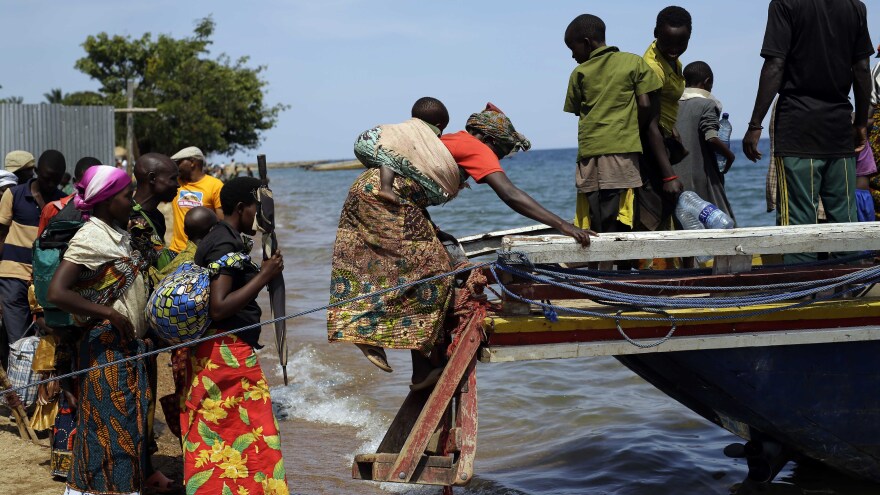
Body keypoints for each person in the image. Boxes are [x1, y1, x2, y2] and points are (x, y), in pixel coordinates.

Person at [329, 103, 593, 386]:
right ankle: (398, 351)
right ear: (489, 140)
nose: (499, 160)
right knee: (436, 274)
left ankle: (416, 364)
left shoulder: (447, 140)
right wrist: (563, 225)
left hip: (369, 192)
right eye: (501, 152)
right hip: (386, 201)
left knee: (429, 260)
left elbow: (412, 183)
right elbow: (510, 194)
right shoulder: (476, 147)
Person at [743, 0, 873, 264]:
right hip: (838, 127)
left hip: (797, 127)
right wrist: (859, 123)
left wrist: (755, 123)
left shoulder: (785, 4)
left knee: (799, 223)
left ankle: (803, 293)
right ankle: (845, 291)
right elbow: (861, 69)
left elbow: (775, 65)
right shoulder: (855, 7)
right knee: (844, 222)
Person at [47, 165, 150, 495]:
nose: (132, 202)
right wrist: (109, 313)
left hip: (120, 344)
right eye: (126, 196)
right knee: (112, 426)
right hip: (105, 343)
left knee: (112, 424)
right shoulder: (91, 236)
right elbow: (57, 292)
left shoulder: (114, 231)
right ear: (106, 201)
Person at [182, 177, 288, 494]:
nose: (261, 216)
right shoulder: (224, 243)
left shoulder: (224, 237)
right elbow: (219, 306)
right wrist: (265, 275)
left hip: (219, 352)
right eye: (258, 209)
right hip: (224, 355)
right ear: (241, 208)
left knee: (229, 434)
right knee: (252, 432)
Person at [563, 14, 666, 234]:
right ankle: (620, 264)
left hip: (591, 151)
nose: (572, 55)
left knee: (595, 213)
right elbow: (646, 104)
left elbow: (577, 110)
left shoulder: (579, 73)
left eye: (572, 48)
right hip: (624, 149)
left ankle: (603, 264)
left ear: (587, 43)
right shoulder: (633, 62)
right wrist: (631, 129)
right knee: (623, 209)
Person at [0, 150, 66, 366]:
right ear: (36, 171)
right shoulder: (15, 195)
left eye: (55, 180)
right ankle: (18, 394)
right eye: (46, 178)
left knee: (47, 343)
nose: (49, 184)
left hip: (46, 282)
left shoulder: (61, 203)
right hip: (13, 275)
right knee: (18, 343)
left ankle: (41, 395)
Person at [636, 6, 691, 235]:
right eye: (668, 43)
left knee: (667, 213)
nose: (674, 50)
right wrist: (668, 175)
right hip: (650, 145)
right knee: (653, 214)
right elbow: (649, 124)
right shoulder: (653, 68)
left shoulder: (672, 60)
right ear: (656, 33)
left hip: (663, 137)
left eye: (681, 43)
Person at [675, 61, 736, 222]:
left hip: (674, 176)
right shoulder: (707, 104)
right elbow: (711, 137)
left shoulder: (672, 104)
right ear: (707, 82)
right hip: (701, 175)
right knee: (721, 222)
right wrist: (730, 156)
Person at [378, 97, 451, 204]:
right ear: (438, 126)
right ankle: (386, 189)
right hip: (373, 144)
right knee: (391, 157)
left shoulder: (406, 128)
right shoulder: (417, 134)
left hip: (372, 140)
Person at [169, 146, 223, 253]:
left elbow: (221, 221)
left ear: (192, 162)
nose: (176, 166)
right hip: (176, 250)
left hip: (201, 251)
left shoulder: (215, 186)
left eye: (179, 162)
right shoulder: (176, 184)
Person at [37, 157, 101, 236]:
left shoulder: (109, 209)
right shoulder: (53, 209)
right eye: (86, 184)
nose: (91, 188)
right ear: (75, 182)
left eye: (96, 183)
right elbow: (41, 244)